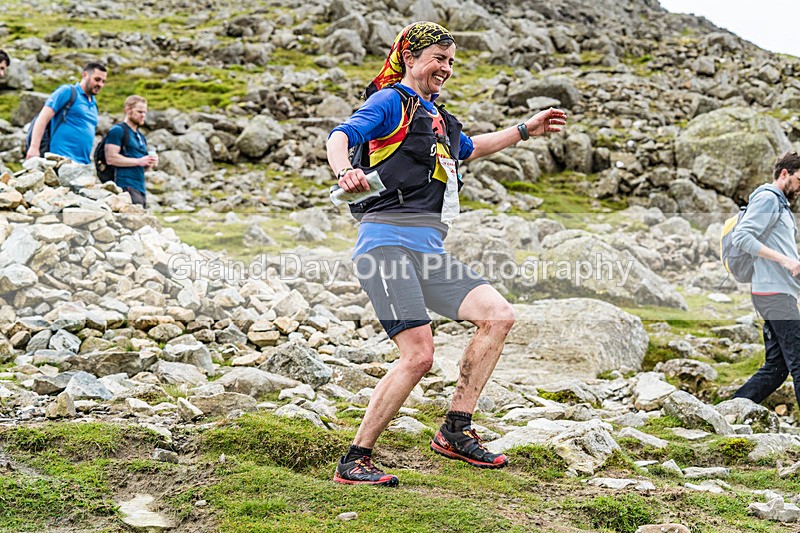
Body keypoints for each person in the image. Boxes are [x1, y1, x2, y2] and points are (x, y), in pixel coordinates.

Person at [326, 21, 567, 487]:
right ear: (411, 58)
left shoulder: (439, 119)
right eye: (439, 58)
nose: (446, 68)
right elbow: (341, 135)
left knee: (498, 316)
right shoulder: (390, 101)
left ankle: (455, 430)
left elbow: (472, 148)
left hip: (429, 250)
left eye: (451, 61)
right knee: (418, 356)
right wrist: (344, 173)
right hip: (386, 245)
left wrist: (524, 130)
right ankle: (355, 459)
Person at [731, 151, 800, 411]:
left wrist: (792, 261)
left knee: (776, 368)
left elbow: (779, 247)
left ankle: (726, 413)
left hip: (774, 292)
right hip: (774, 294)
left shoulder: (780, 204)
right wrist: (785, 261)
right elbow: (742, 237)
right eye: (799, 180)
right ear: (785, 174)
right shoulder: (768, 199)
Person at [26, 62, 107, 163]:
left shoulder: (94, 105)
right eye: (97, 79)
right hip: (60, 159)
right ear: (85, 75)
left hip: (82, 164)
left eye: (103, 81)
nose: (100, 84)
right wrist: (34, 147)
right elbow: (43, 117)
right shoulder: (68, 91)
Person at [104, 95, 157, 208]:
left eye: (145, 112)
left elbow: (143, 166)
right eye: (139, 111)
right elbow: (111, 158)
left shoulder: (141, 137)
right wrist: (139, 161)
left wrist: (149, 163)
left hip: (140, 187)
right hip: (124, 186)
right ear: (128, 110)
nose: (143, 115)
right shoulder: (117, 131)